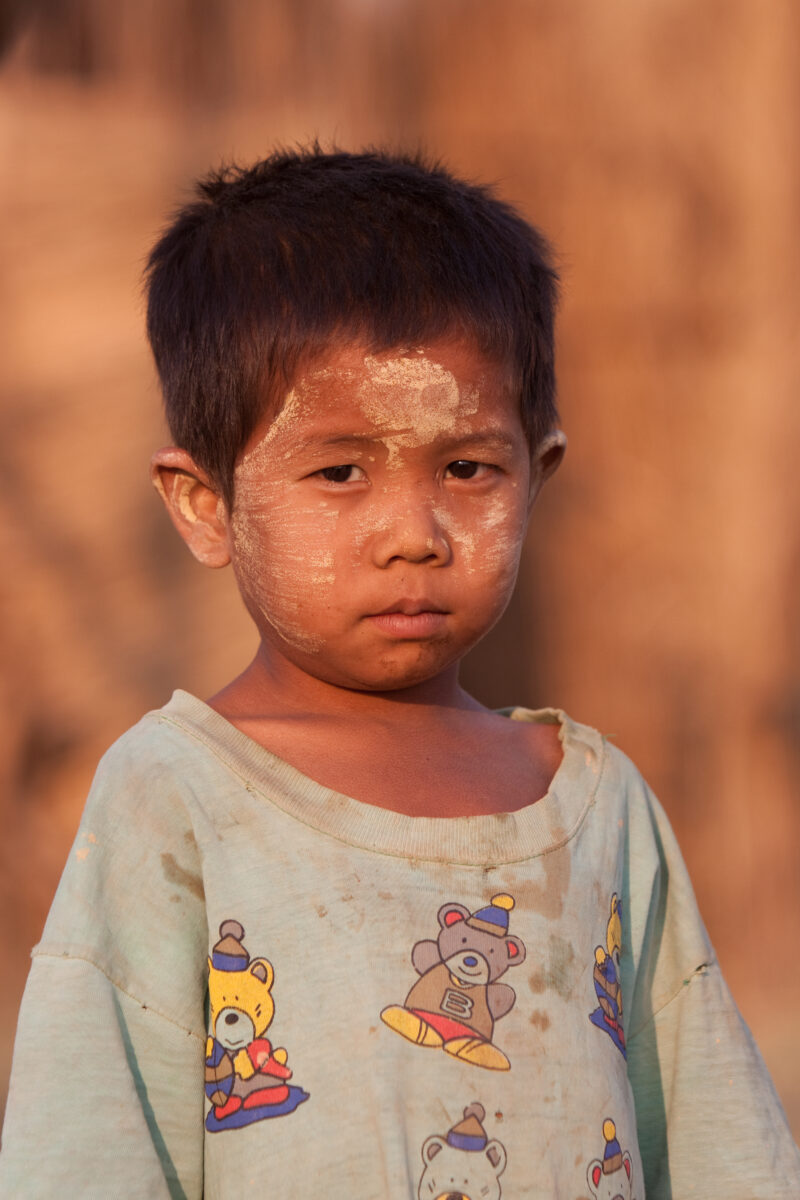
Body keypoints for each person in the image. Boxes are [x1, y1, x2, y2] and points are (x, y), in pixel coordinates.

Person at [0, 147, 797, 1199]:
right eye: (338, 472)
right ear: (205, 506)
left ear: (533, 473)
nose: (413, 534)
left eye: (467, 468)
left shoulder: (591, 803)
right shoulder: (178, 796)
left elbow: (716, 1142)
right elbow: (89, 1143)